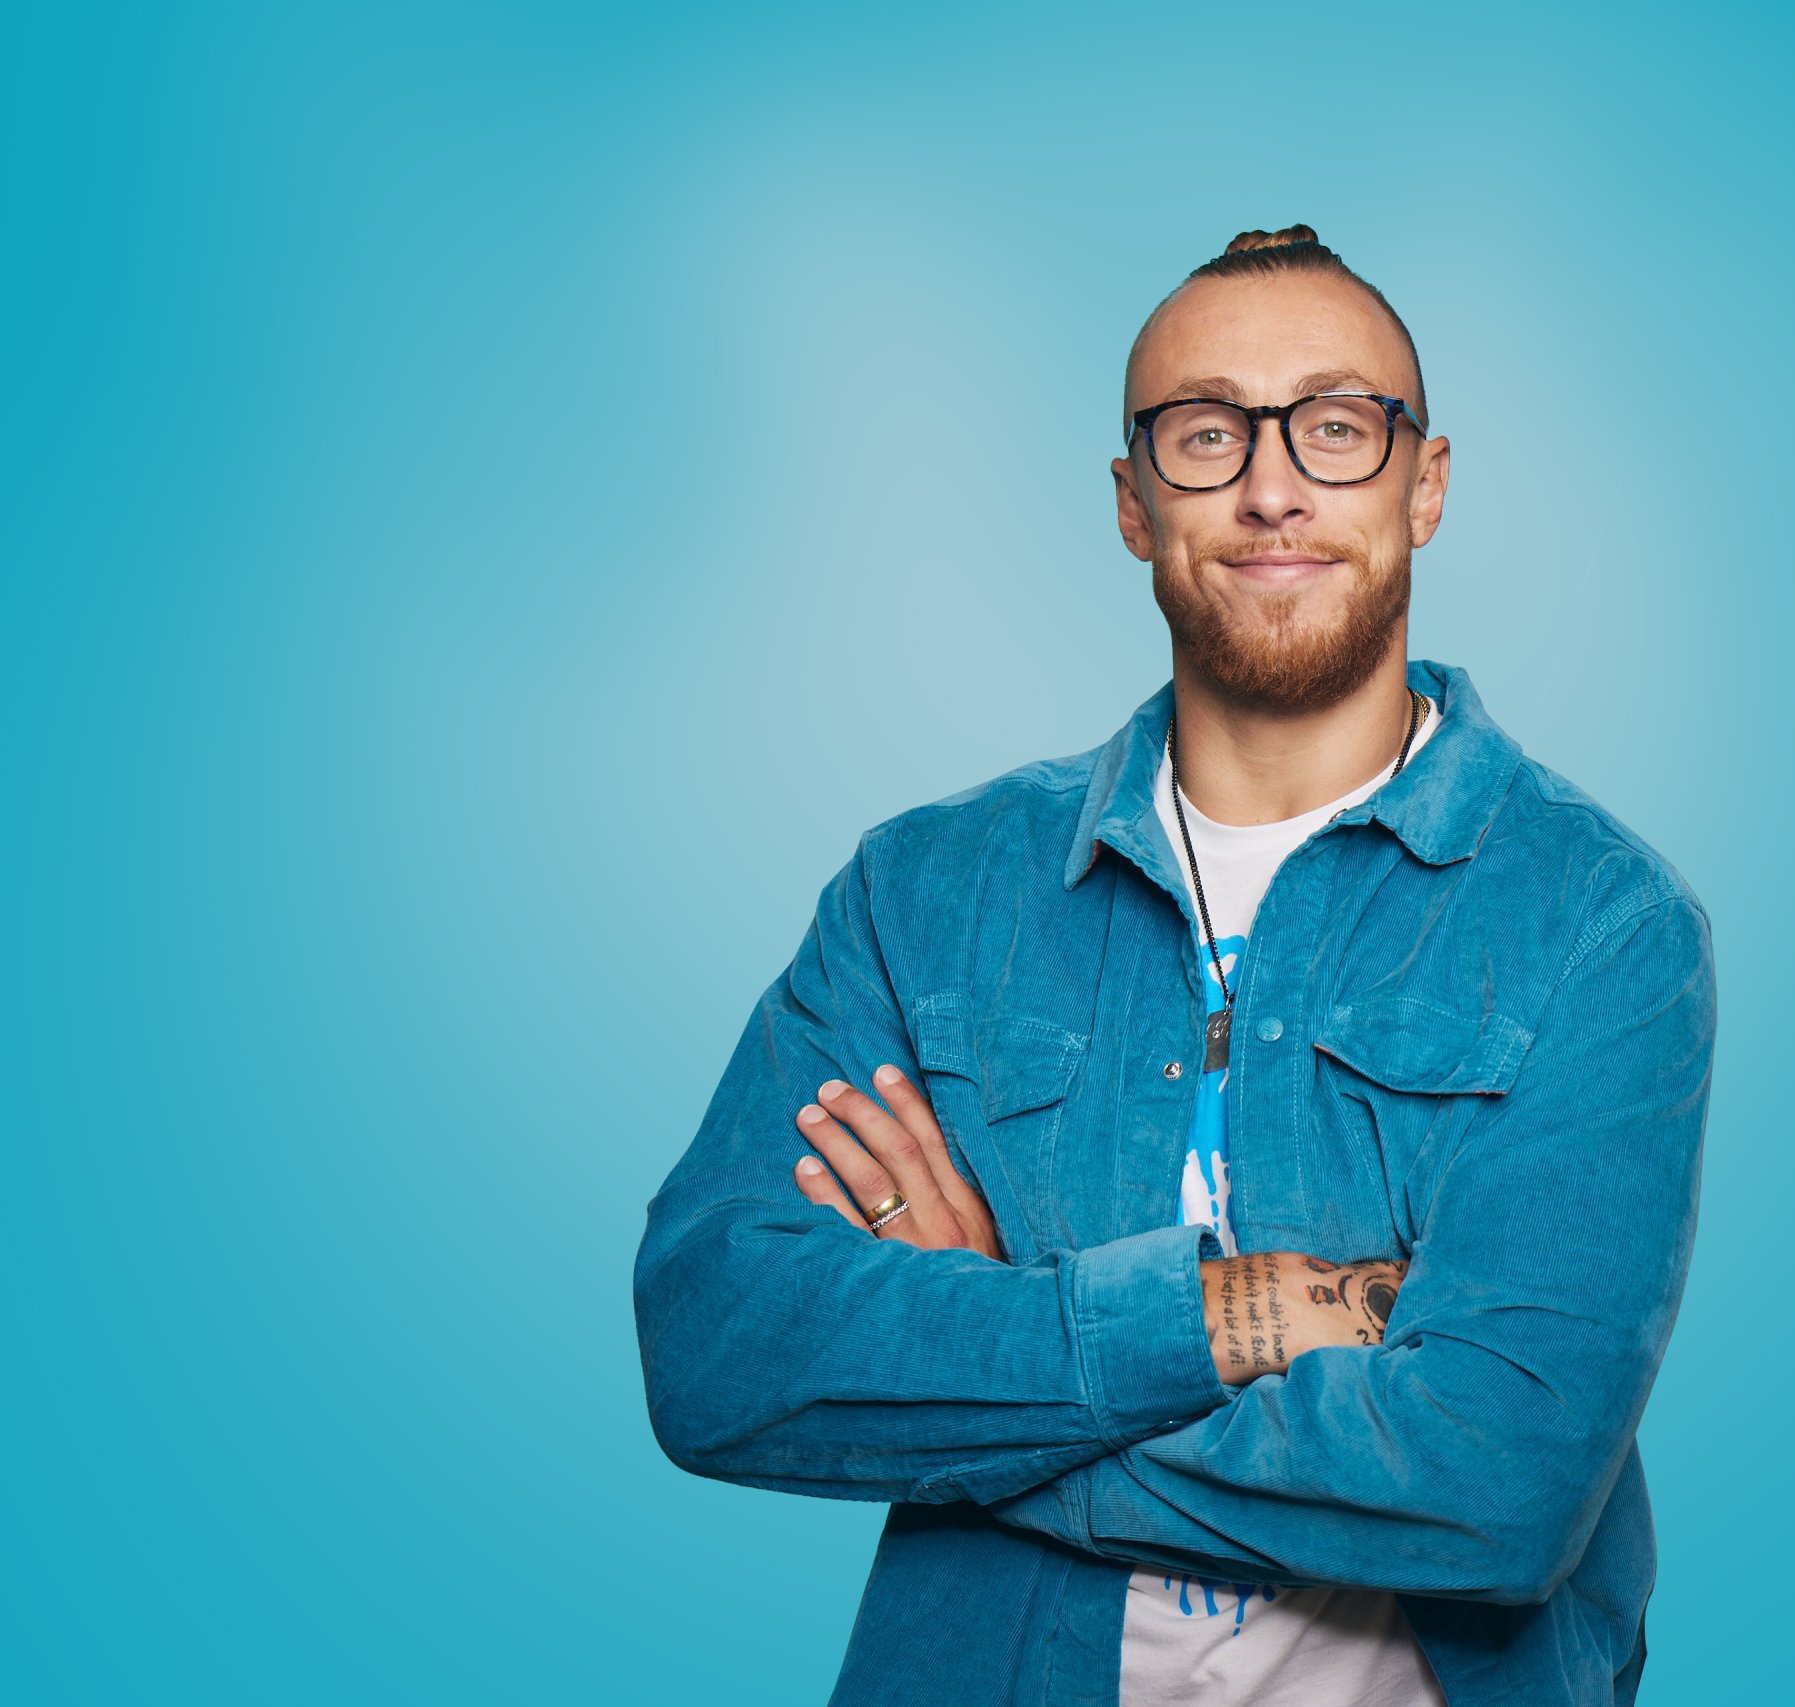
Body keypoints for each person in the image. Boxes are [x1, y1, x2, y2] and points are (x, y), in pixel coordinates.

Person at [634, 225, 1718, 1707]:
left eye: (1337, 426)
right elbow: (720, 1345)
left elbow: (1498, 1487)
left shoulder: (1599, 922)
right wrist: (1243, 1310)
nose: (1272, 487)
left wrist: (979, 1380)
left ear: (1425, 485)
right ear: (1134, 503)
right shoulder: (925, 894)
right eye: (1208, 434)